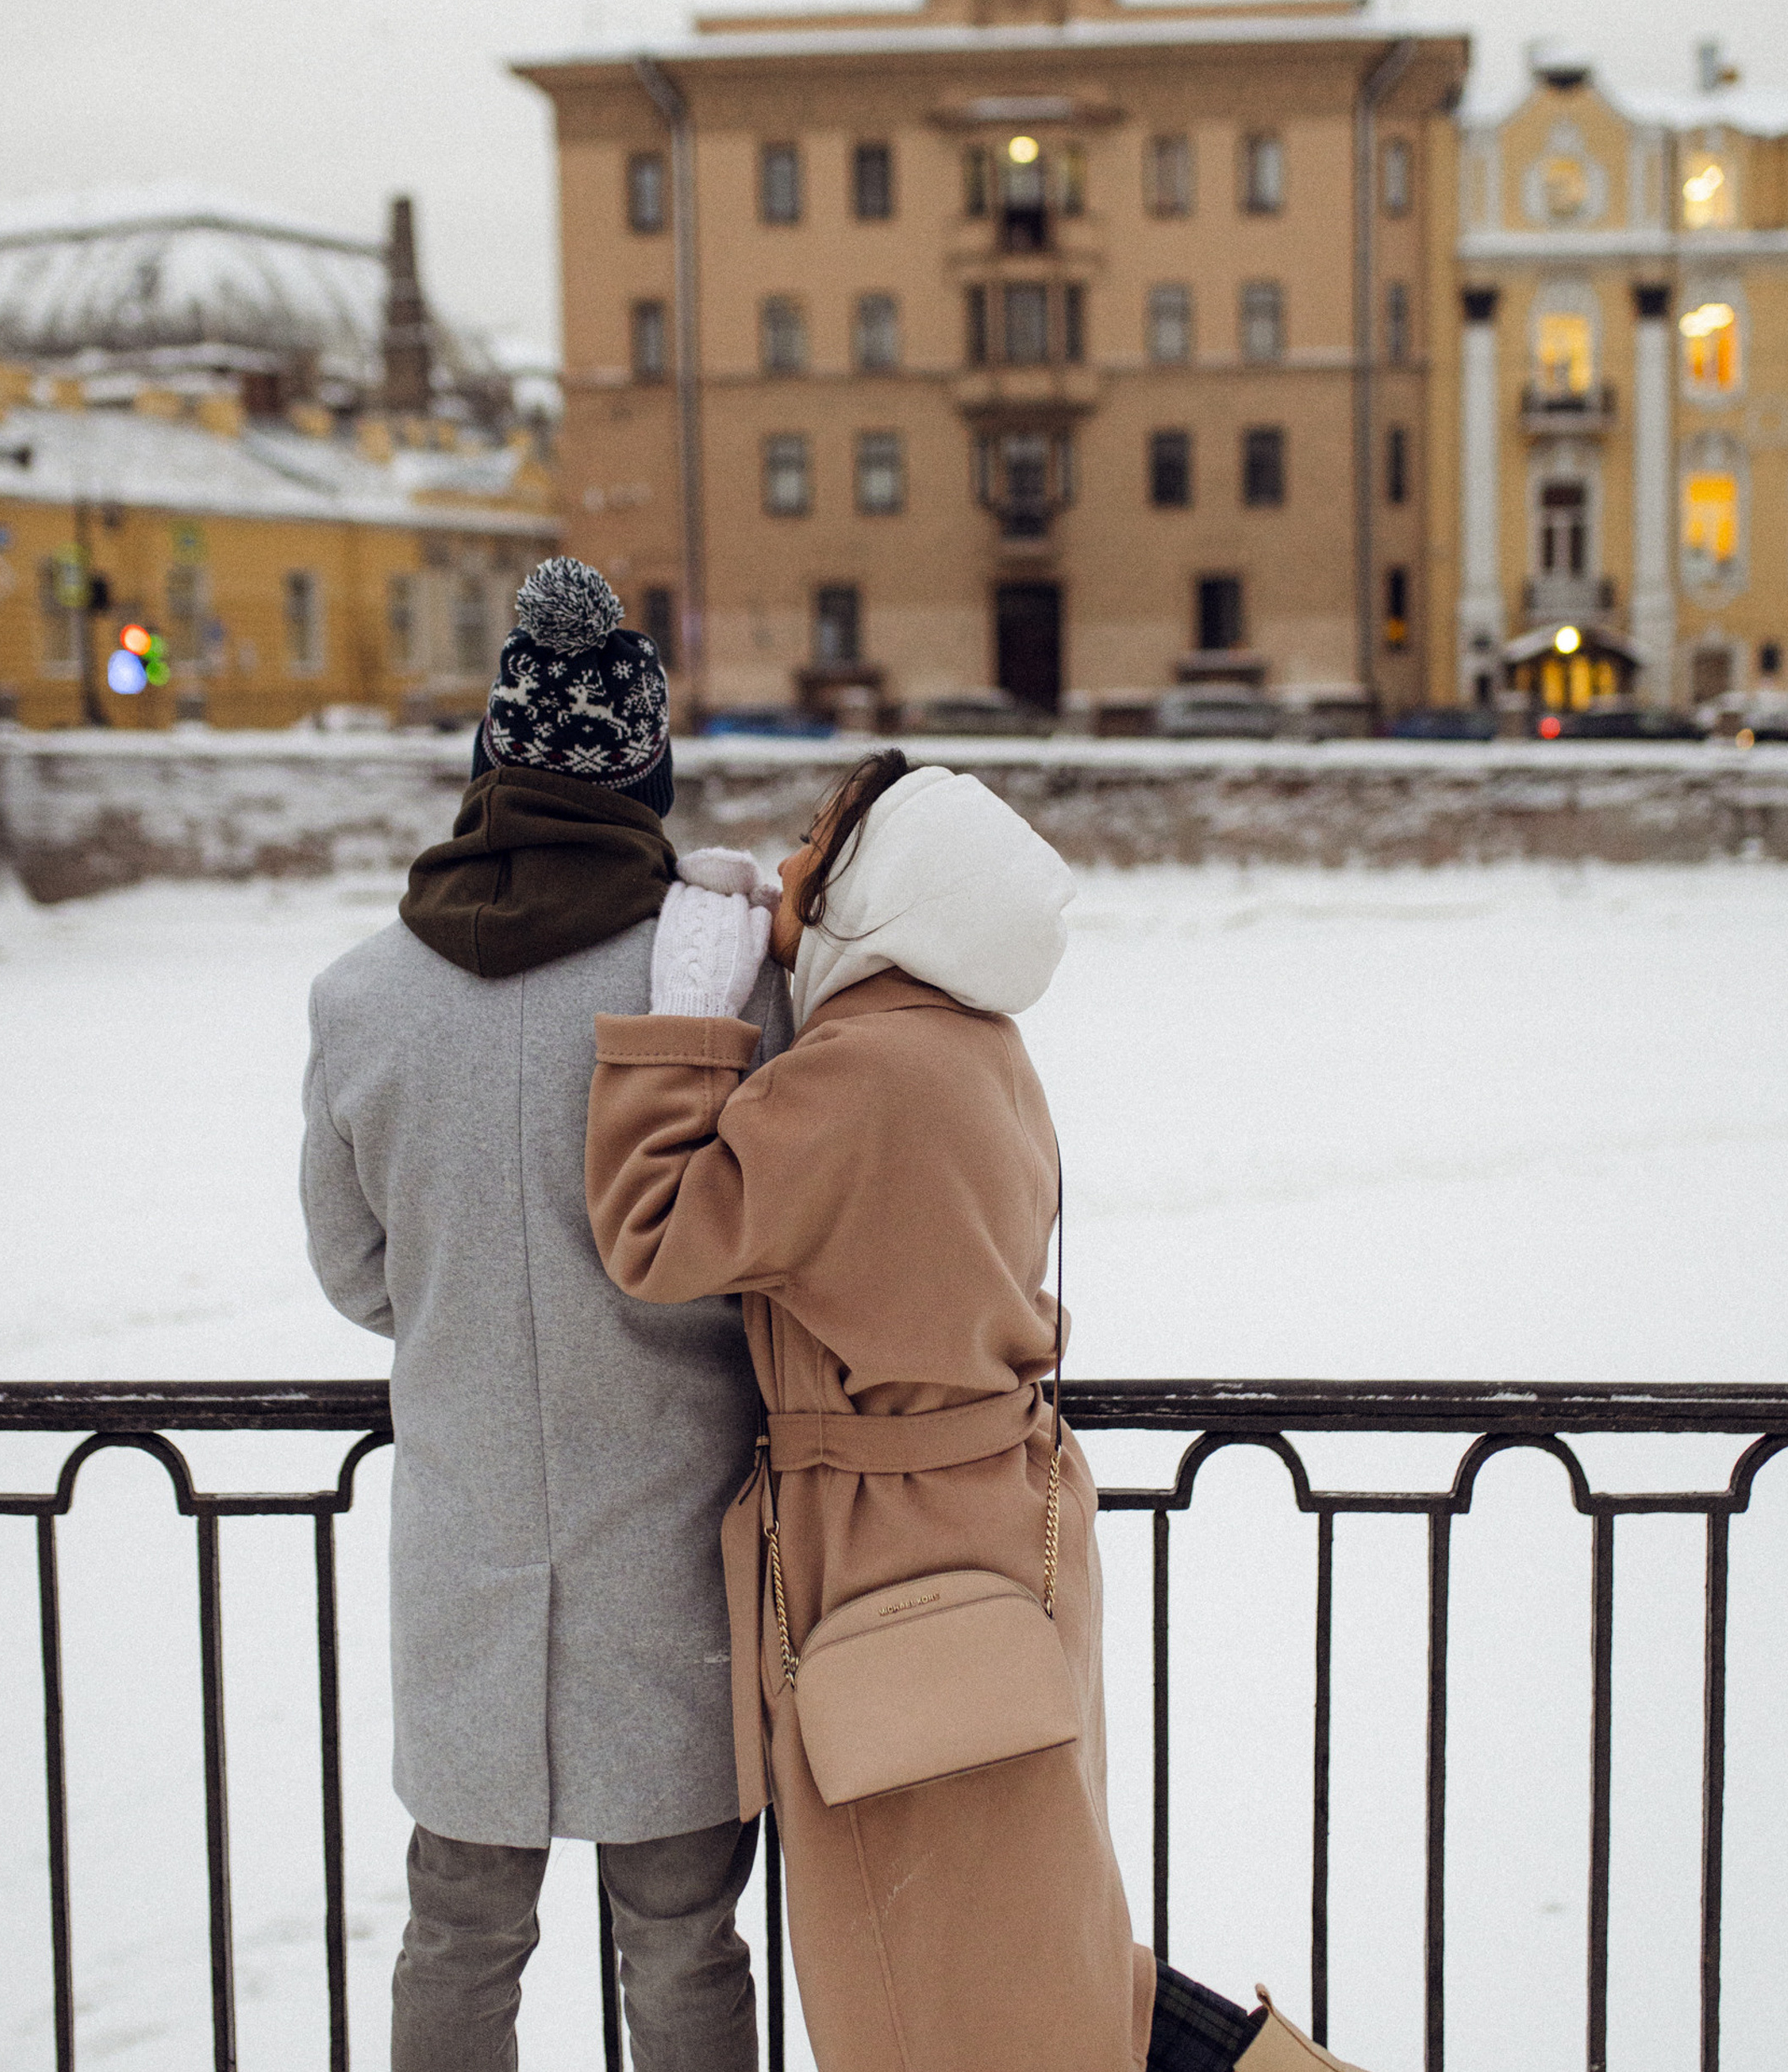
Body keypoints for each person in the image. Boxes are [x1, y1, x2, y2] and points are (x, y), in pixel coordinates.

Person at [583, 749, 1362, 2072]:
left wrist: (686, 1026)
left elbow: (656, 1231)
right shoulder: (979, 1051)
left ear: (881, 894)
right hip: (993, 1528)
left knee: (934, 1989)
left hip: (888, 1563)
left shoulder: (862, 1079)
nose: (785, 871)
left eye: (819, 849)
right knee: (1031, 1946)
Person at [300, 557, 790, 2072]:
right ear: (646, 779)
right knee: (687, 1944)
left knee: (458, 1932)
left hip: (467, 1555)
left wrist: (467, 1320)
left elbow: (352, 1268)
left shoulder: (362, 996)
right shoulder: (718, 993)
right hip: (678, 1555)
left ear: (486, 769)